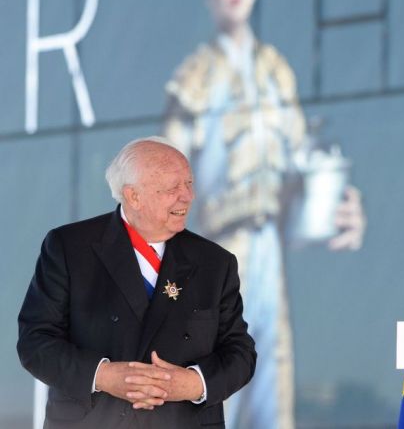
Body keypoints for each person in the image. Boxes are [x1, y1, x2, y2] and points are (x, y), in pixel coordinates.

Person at [163, 0, 365, 428]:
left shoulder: (277, 72)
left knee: (272, 387)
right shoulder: (194, 76)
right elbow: (161, 176)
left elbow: (302, 166)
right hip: (214, 251)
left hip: (269, 252)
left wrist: (338, 208)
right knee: (213, 388)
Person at [17, 137, 257, 428]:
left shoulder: (215, 262)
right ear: (133, 196)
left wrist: (194, 383)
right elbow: (35, 342)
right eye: (172, 188)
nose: (188, 196)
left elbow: (240, 354)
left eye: (189, 184)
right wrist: (103, 376)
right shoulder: (69, 247)